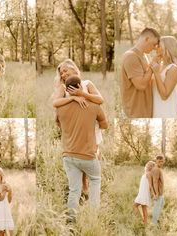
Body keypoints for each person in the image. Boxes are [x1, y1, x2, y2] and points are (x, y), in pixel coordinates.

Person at [56, 75, 108, 222]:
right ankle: (92, 218)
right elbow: (105, 125)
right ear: (80, 86)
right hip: (87, 155)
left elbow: (58, 124)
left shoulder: (60, 108)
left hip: (68, 155)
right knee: (95, 180)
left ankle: (70, 221)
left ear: (66, 89)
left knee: (74, 189)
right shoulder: (94, 106)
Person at [53, 59, 104, 200]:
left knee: (93, 155)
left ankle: (89, 184)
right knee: (79, 155)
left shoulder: (87, 84)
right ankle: (84, 187)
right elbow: (55, 103)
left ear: (74, 69)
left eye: (65, 71)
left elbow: (100, 99)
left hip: (92, 127)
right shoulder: (63, 88)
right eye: (61, 73)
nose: (63, 74)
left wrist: (82, 94)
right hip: (74, 128)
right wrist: (73, 99)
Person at [121, 27, 160, 118]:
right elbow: (141, 85)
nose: (154, 48)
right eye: (153, 44)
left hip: (145, 109)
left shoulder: (145, 56)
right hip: (135, 112)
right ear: (147, 39)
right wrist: (152, 65)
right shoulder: (131, 56)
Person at [151, 36, 177, 118]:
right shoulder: (159, 65)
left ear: (167, 48)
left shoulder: (173, 69)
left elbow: (164, 96)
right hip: (156, 107)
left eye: (159, 46)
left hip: (167, 110)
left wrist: (156, 73)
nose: (156, 48)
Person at [133, 161, 155, 225]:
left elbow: (151, 185)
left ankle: (141, 220)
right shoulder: (147, 173)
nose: (147, 165)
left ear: (151, 167)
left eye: (150, 165)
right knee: (144, 208)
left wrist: (153, 194)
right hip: (142, 192)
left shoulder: (148, 174)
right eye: (148, 164)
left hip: (144, 193)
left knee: (135, 205)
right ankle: (145, 222)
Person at [151, 155, 165, 225]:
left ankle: (156, 220)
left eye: (162, 161)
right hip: (158, 193)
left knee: (161, 205)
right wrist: (156, 194)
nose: (161, 163)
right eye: (159, 161)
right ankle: (154, 223)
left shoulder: (158, 168)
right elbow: (155, 182)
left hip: (161, 192)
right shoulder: (156, 169)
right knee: (157, 207)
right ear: (156, 161)